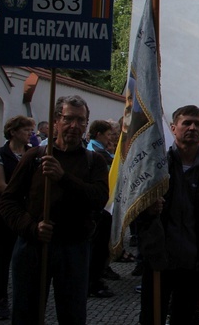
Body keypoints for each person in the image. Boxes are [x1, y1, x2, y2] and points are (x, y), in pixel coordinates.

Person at [0, 95, 109, 324]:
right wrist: (31, 227)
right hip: (33, 247)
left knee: (72, 314)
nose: (74, 126)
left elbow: (99, 199)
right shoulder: (35, 157)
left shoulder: (94, 161)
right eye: (69, 119)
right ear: (56, 120)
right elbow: (8, 201)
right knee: (27, 313)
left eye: (81, 120)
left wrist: (63, 178)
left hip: (74, 248)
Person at [137, 105, 199, 325]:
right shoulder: (156, 168)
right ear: (173, 128)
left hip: (193, 263)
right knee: (151, 318)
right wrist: (147, 210)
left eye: (197, 123)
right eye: (186, 123)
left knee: (185, 319)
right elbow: (134, 214)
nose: (192, 127)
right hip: (159, 261)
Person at [0, 115, 34, 320]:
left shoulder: (32, 153)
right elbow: (0, 185)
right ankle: (1, 300)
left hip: (26, 213)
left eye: (30, 130)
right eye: (25, 130)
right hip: (4, 214)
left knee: (25, 256)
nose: (29, 133)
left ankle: (24, 298)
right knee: (3, 257)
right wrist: (22, 195)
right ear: (13, 132)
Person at [86, 120, 117, 298]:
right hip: (100, 206)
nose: (109, 138)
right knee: (97, 246)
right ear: (98, 134)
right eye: (107, 134)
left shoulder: (99, 150)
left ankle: (96, 278)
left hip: (103, 204)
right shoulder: (96, 152)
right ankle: (93, 283)